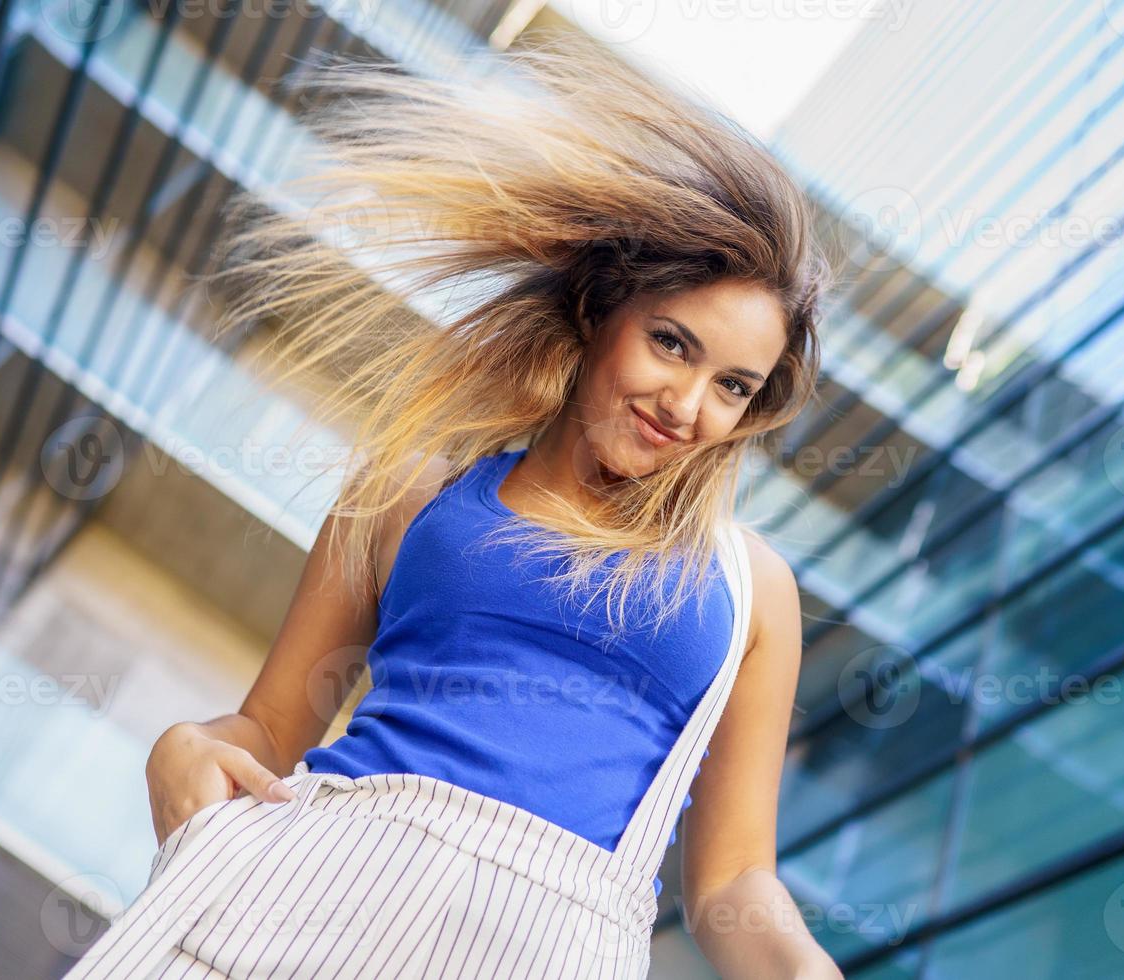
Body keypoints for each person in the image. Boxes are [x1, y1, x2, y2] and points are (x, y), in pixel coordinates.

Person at [67, 26, 842, 980]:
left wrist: (807, 972)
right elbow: (268, 731)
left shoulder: (752, 591)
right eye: (673, 344)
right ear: (603, 313)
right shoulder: (410, 492)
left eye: (733, 387)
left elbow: (729, 888)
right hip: (305, 891)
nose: (687, 406)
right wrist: (181, 748)